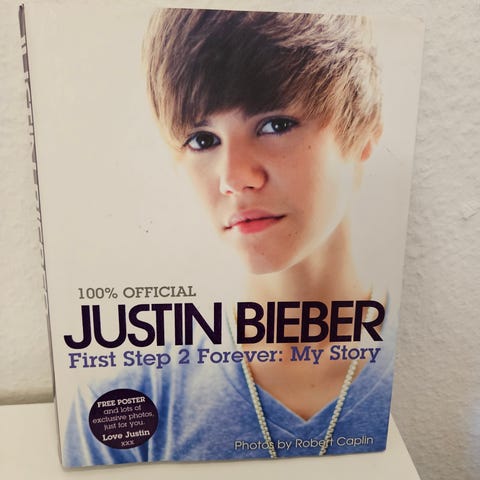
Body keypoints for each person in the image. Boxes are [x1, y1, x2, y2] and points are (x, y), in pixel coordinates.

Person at [64, 8, 396, 466]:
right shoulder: (127, 400)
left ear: (363, 132)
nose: (234, 178)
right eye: (202, 140)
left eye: (275, 125)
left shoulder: (423, 370)